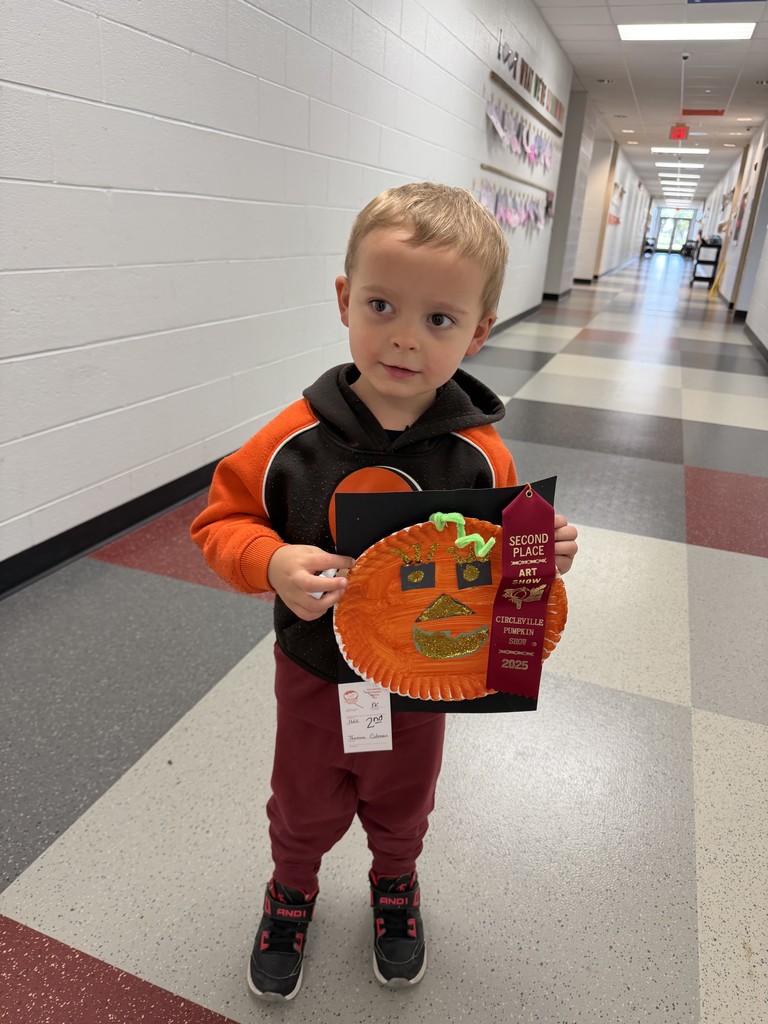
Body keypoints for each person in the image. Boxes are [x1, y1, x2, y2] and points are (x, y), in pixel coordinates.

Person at [190, 182, 578, 1002]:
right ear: (344, 300)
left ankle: (395, 885)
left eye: (438, 320)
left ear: (477, 331)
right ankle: (291, 890)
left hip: (423, 680)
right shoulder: (290, 439)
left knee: (404, 799)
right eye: (381, 305)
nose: (404, 340)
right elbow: (217, 525)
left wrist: (543, 554)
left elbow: (508, 560)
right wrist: (269, 562)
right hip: (313, 676)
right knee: (302, 802)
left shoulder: (480, 457)